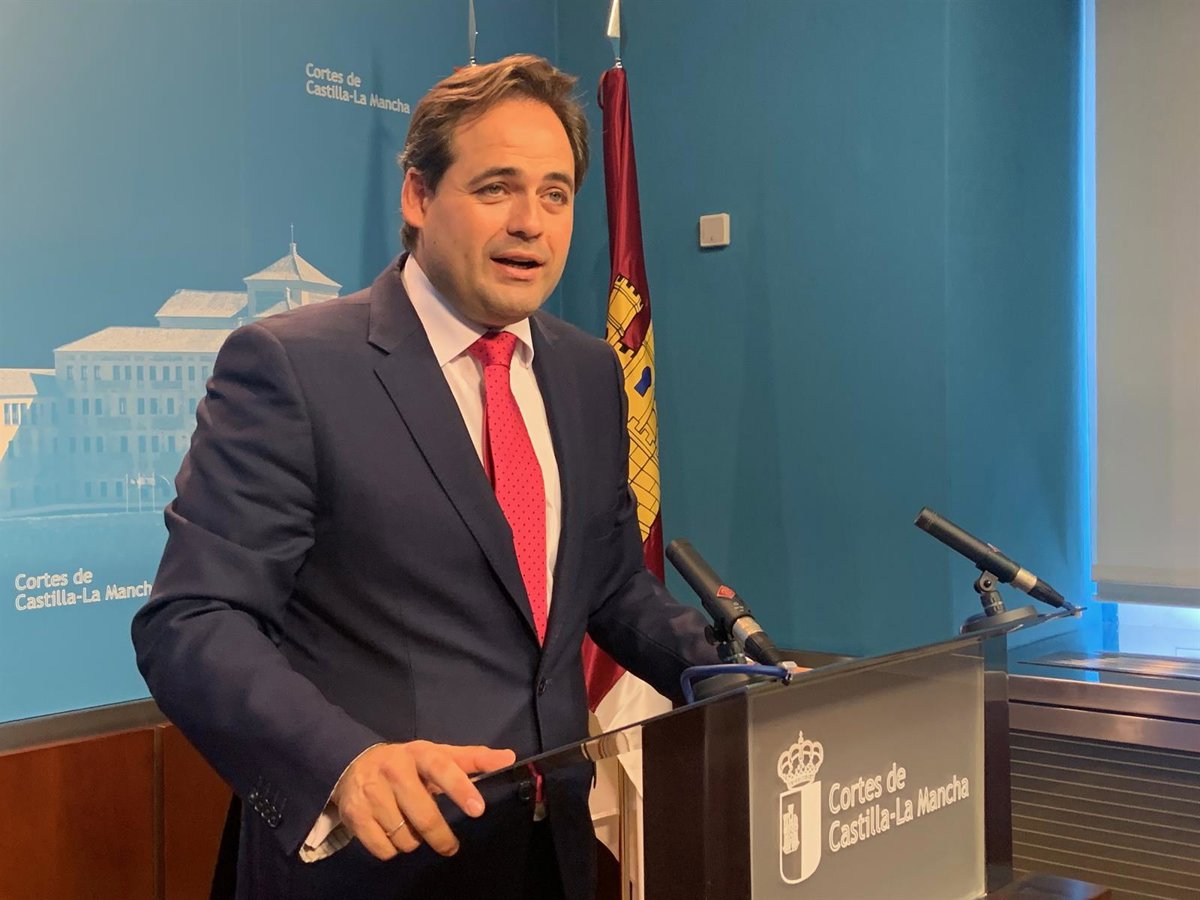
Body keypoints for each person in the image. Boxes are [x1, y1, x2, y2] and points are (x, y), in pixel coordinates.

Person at [132, 54, 718, 900]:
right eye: (496, 188)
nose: (531, 223)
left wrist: (730, 680)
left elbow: (611, 584)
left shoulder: (590, 372)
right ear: (417, 196)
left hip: (550, 852)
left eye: (555, 194)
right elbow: (192, 620)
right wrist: (345, 763)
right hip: (375, 864)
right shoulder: (293, 367)